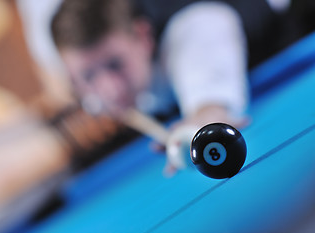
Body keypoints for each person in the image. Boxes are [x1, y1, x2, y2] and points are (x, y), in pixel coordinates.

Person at [50, 0, 311, 170]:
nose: (108, 88)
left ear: (142, 36)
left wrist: (203, 119)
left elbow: (208, 90)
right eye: (88, 75)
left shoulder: (191, 29)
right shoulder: (92, 92)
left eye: (115, 65)